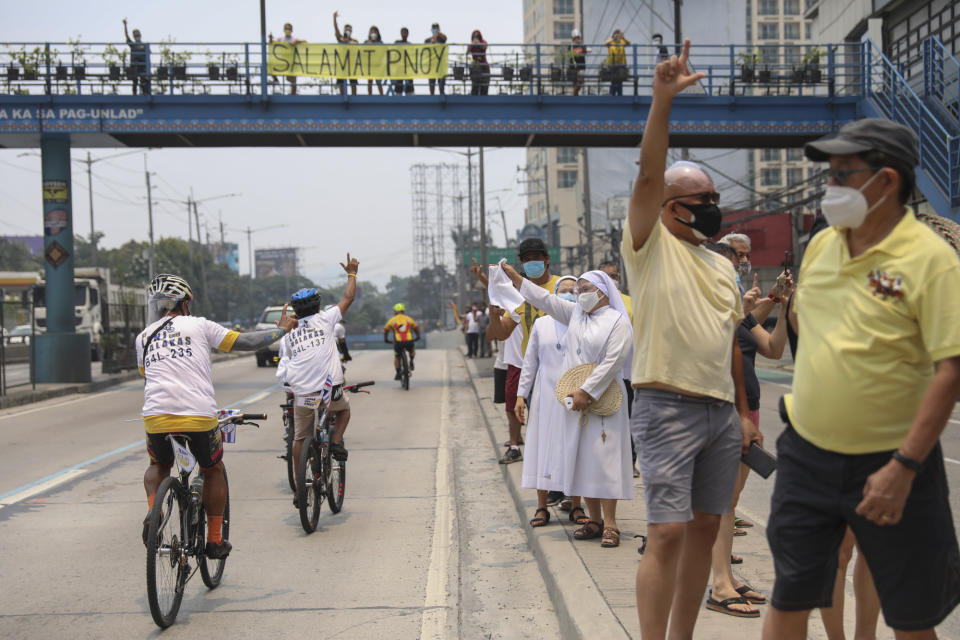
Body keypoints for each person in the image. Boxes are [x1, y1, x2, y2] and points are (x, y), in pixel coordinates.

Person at [763, 117, 960, 639]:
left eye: (842, 175)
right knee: (790, 597)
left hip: (894, 459)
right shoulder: (825, 245)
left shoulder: (931, 261)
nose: (831, 188)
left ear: (887, 181)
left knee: (913, 613)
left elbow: (952, 369)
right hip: (807, 455)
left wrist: (904, 466)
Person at [620, 40, 760, 639]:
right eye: (701, 201)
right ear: (671, 207)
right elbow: (650, 171)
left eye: (713, 199)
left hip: (720, 414)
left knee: (707, 528)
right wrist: (661, 102)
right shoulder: (648, 248)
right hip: (665, 406)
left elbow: (730, 343)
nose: (712, 208)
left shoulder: (722, 265)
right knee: (667, 531)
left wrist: (746, 411)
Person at [137, 274, 297, 558]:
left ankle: (154, 510)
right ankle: (213, 540)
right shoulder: (199, 325)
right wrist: (281, 330)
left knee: (158, 466)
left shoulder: (143, 337)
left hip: (156, 417)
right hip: (198, 416)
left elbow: (147, 375)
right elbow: (246, 342)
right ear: (185, 303)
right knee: (213, 470)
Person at [502, 265, 634, 548]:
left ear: (602, 292)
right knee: (584, 459)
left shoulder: (616, 321)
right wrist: (516, 279)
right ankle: (595, 520)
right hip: (575, 401)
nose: (579, 295)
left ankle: (611, 523)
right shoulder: (575, 314)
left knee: (605, 458)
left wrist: (588, 389)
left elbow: (614, 361)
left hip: (604, 397)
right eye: (576, 291)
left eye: (584, 290)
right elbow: (544, 299)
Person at [703, 241, 793, 618]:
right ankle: (719, 584)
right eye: (728, 265)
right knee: (719, 500)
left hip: (748, 411)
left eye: (736, 265)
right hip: (721, 411)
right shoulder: (705, 310)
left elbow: (773, 350)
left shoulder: (744, 314)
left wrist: (784, 306)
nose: (735, 271)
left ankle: (728, 578)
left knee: (731, 501)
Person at [277, 257, 358, 503]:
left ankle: (300, 488)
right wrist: (352, 274)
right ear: (318, 305)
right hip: (328, 389)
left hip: (301, 393)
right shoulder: (326, 319)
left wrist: (284, 329)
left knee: (300, 438)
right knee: (343, 411)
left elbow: (284, 364)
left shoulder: (287, 336)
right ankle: (334, 443)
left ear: (295, 311)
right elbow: (348, 298)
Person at [487, 238, 561, 464]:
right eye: (527, 260)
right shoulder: (518, 295)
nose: (532, 264)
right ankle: (551, 483)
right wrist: (493, 314)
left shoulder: (562, 286)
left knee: (561, 426)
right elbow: (503, 333)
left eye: (536, 259)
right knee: (540, 426)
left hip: (562, 367)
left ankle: (567, 486)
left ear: (547, 260)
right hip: (534, 370)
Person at [515, 275, 576, 527]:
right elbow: (530, 363)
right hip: (544, 395)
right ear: (553, 296)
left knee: (573, 448)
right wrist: (521, 395)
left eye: (574, 290)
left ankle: (576, 504)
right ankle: (541, 507)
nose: (569, 294)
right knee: (542, 447)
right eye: (563, 290)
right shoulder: (541, 325)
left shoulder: (582, 322)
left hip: (574, 396)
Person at [384, 302, 420, 379]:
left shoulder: (392, 320)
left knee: (397, 356)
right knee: (412, 351)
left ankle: (398, 373)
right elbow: (416, 328)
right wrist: (417, 337)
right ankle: (411, 361)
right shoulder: (409, 319)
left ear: (395, 312)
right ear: (403, 311)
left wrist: (386, 339)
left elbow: (386, 330)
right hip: (409, 341)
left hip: (398, 342)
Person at [269, 23, 304, 95]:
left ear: (292, 30)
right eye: (286, 29)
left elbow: (305, 42)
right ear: (284, 30)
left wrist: (297, 42)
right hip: (282, 61)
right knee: (270, 65)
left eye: (289, 29)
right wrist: (270, 38)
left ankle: (293, 96)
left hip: (291, 62)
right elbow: (272, 43)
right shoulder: (280, 39)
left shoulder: (294, 39)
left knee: (293, 81)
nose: (287, 30)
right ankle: (275, 80)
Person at [333, 11, 359, 96]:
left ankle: (354, 96)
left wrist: (350, 41)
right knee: (341, 81)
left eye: (349, 29)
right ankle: (342, 96)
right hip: (342, 63)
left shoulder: (354, 40)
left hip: (351, 64)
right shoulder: (340, 38)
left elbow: (357, 45)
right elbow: (336, 30)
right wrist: (334, 18)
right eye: (346, 29)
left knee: (353, 82)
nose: (348, 30)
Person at [122, 18, 150, 96]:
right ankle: (134, 93)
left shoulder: (144, 45)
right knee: (135, 80)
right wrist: (125, 25)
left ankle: (144, 92)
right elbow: (127, 36)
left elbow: (148, 53)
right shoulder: (133, 44)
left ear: (140, 35)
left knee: (143, 79)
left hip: (143, 65)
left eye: (137, 34)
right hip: (135, 65)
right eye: (135, 34)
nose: (137, 35)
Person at [604, 29, 630, 96]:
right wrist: (613, 39)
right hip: (612, 64)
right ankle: (612, 94)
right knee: (613, 80)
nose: (617, 36)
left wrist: (623, 37)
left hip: (621, 63)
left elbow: (628, 43)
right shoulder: (611, 42)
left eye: (619, 34)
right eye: (616, 34)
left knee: (620, 80)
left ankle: (619, 94)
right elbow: (605, 43)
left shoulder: (622, 41)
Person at [425, 23, 447, 95]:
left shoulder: (442, 39)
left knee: (441, 83)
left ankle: (441, 94)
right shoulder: (427, 40)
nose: (435, 29)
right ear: (431, 30)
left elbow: (445, 38)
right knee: (431, 82)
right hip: (431, 65)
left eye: (436, 28)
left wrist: (438, 33)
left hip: (441, 65)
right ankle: (432, 95)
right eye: (434, 28)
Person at [393, 28, 414, 95]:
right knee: (399, 82)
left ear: (408, 34)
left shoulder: (410, 44)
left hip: (408, 67)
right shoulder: (397, 43)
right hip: (399, 67)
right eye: (402, 32)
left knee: (409, 82)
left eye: (405, 33)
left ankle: (410, 94)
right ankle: (398, 95)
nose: (404, 34)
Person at [469, 30, 490, 96]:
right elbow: (467, 51)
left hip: (484, 66)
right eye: (474, 36)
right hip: (475, 67)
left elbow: (485, 46)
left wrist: (478, 43)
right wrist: (472, 44)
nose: (476, 37)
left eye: (477, 36)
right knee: (475, 87)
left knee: (484, 88)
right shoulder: (471, 44)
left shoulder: (483, 42)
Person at [364, 26, 384, 95]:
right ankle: (370, 95)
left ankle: (382, 95)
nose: (373, 33)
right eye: (372, 31)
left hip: (377, 65)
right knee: (370, 81)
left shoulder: (380, 43)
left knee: (378, 81)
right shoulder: (366, 42)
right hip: (369, 65)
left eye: (375, 31)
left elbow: (383, 51)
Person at [568, 29, 587, 96]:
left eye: (578, 38)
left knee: (581, 81)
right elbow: (572, 52)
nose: (577, 40)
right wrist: (579, 50)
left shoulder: (582, 45)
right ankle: (575, 94)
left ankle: (575, 93)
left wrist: (581, 48)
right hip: (573, 67)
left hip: (581, 66)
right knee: (575, 82)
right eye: (575, 38)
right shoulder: (571, 46)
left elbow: (585, 50)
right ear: (573, 39)